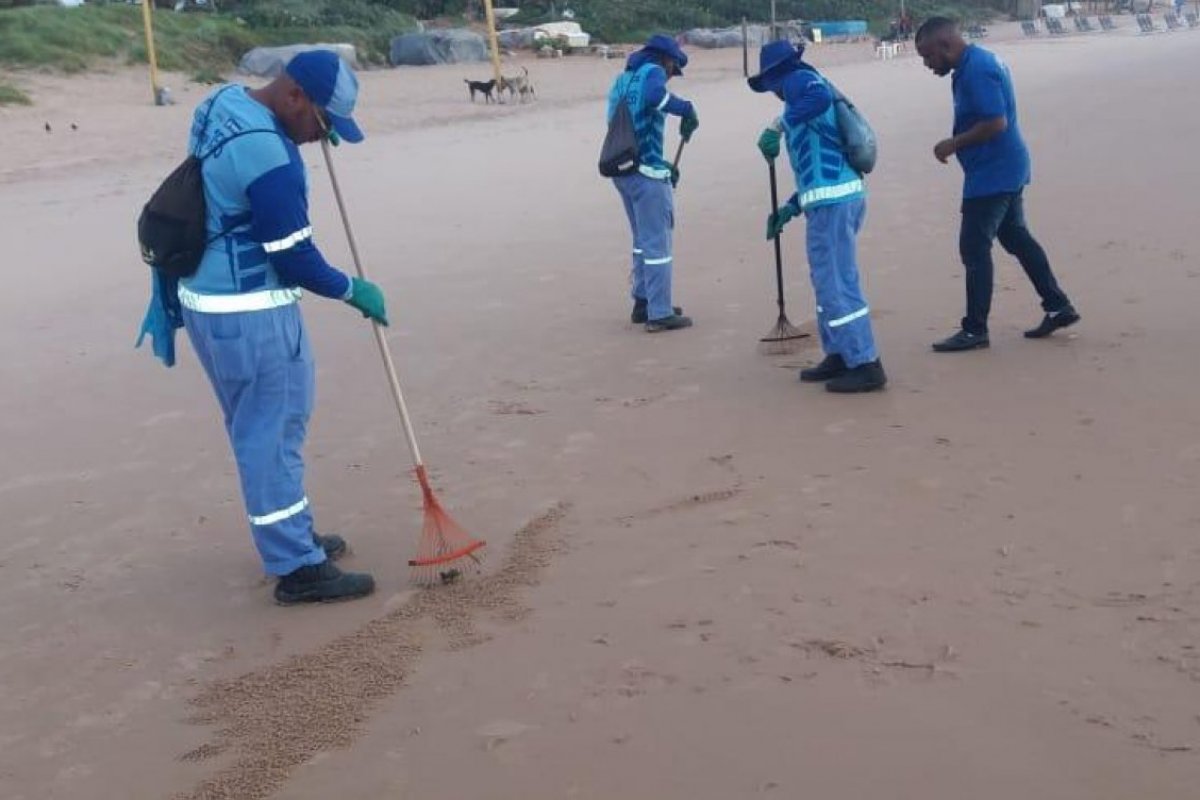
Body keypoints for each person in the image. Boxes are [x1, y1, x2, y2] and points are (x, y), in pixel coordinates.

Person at [139, 51, 388, 604]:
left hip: (206, 304)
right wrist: (353, 290)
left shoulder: (223, 102)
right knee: (272, 434)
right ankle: (296, 566)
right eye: (323, 123)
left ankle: (293, 536)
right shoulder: (272, 158)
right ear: (295, 96)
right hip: (251, 314)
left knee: (258, 427)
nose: (322, 138)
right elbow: (294, 257)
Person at [915, 17, 1080, 352]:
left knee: (974, 248)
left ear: (946, 45)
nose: (927, 64)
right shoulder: (974, 64)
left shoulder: (977, 69)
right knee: (1016, 237)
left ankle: (975, 330)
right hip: (1004, 167)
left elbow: (995, 122)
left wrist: (953, 144)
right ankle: (1058, 306)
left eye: (928, 56)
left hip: (994, 174)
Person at [750, 40, 887, 393]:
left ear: (775, 77)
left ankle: (865, 362)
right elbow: (817, 167)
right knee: (827, 280)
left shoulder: (799, 81)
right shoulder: (799, 95)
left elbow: (819, 97)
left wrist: (777, 126)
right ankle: (839, 353)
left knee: (837, 282)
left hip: (834, 204)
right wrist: (791, 207)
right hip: (832, 199)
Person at [606, 34, 699, 332]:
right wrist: (686, 108)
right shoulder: (653, 72)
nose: (671, 76)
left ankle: (642, 301)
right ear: (667, 60)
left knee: (641, 241)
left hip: (622, 171)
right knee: (658, 243)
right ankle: (659, 312)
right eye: (673, 69)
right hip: (646, 175)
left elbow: (625, 125)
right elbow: (654, 96)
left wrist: (664, 165)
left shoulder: (622, 81)